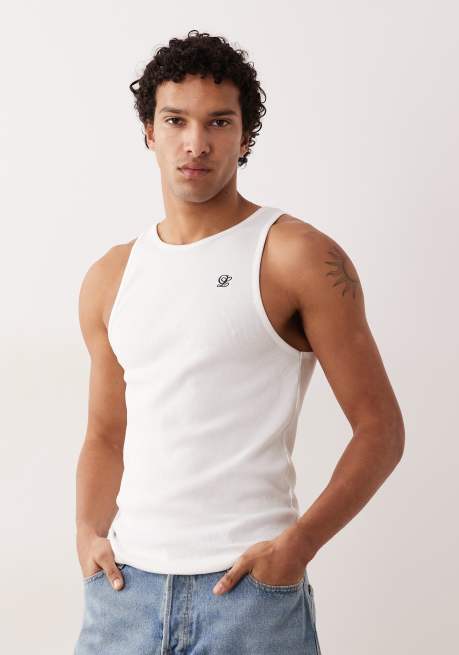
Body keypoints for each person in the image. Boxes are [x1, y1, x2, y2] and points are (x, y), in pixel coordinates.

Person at [74, 29, 405, 655]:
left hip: (249, 598)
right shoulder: (110, 277)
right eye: (176, 120)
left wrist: (298, 546)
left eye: (218, 122)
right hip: (123, 596)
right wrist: (87, 534)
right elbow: (104, 434)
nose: (195, 143)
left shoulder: (296, 255)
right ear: (149, 131)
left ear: (246, 136)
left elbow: (380, 429)